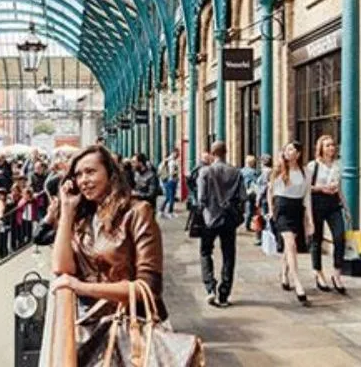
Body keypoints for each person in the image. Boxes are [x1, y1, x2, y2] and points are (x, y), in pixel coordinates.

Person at [49, 145, 168, 363]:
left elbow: (149, 287)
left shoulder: (137, 212)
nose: (83, 180)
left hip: (132, 328)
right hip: (96, 328)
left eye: (90, 172)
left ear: (111, 174)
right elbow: (61, 267)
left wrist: (81, 287)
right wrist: (66, 211)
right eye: (78, 175)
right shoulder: (83, 219)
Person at [197, 141, 246, 307]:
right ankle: (224, 293)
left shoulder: (205, 171)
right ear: (226, 152)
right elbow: (243, 196)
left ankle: (210, 287)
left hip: (210, 218)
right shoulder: (236, 172)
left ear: (212, 154)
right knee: (229, 255)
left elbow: (201, 198)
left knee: (205, 252)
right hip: (229, 219)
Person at [268, 141, 314, 306]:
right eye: (286, 149)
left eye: (291, 149)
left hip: (296, 208)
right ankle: (298, 283)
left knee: (290, 246)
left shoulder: (306, 172)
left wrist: (310, 220)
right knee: (291, 245)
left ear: (298, 153)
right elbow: (270, 191)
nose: (288, 152)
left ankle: (284, 273)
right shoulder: (278, 170)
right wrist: (271, 211)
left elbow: (307, 196)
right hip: (282, 208)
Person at [307, 135, 347, 294]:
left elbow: (339, 188)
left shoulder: (338, 165)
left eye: (332, 145)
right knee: (316, 239)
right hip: (317, 202)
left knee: (340, 237)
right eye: (327, 145)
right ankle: (318, 273)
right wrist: (322, 188)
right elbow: (306, 188)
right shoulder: (313, 166)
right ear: (321, 148)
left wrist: (346, 208)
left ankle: (337, 274)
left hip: (334, 203)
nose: (331, 148)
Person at [240, 155, 261, 231]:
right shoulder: (253, 172)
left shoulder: (241, 171)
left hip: (242, 192)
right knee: (250, 208)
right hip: (250, 192)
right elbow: (256, 182)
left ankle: (246, 224)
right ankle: (247, 225)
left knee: (246, 207)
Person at [158, 148, 180, 219]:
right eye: (177, 153)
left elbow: (160, 169)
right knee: (171, 198)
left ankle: (161, 211)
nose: (178, 155)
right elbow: (172, 172)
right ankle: (170, 212)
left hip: (166, 181)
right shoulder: (172, 162)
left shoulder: (166, 160)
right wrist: (176, 175)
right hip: (171, 181)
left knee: (168, 197)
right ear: (174, 153)